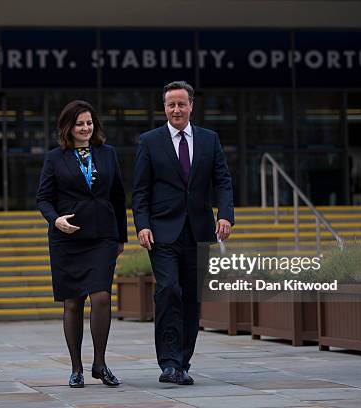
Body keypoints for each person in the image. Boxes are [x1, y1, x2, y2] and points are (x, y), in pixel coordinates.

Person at [132, 81, 235, 385]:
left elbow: (223, 181)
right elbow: (140, 191)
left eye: (181, 104)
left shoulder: (209, 140)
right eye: (170, 105)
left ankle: (183, 362)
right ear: (164, 108)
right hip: (162, 233)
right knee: (168, 290)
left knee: (191, 298)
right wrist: (143, 224)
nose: (176, 110)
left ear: (191, 105)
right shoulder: (150, 141)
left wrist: (225, 215)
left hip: (199, 231)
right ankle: (168, 362)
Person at [36, 100, 127, 388]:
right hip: (68, 238)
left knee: (101, 297)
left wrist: (121, 237)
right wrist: (55, 220)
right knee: (73, 302)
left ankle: (99, 364)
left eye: (89, 122)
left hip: (103, 236)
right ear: (68, 127)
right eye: (80, 124)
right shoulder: (55, 158)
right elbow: (43, 198)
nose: (86, 128)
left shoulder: (108, 154)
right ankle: (76, 368)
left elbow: (118, 196)